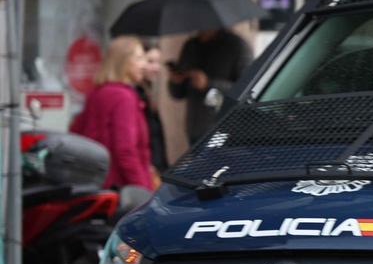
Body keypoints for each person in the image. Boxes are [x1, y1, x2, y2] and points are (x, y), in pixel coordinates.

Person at [69, 36, 154, 190]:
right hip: (122, 189)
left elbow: (76, 131)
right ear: (123, 61)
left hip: (96, 183)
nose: (144, 65)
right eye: (139, 58)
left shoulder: (97, 92)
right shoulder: (124, 97)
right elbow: (126, 151)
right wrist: (144, 191)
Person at [168, 27, 252, 144]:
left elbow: (246, 90)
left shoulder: (236, 46)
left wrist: (209, 84)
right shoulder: (191, 46)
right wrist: (176, 81)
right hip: (194, 128)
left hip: (223, 129)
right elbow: (178, 94)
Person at [137, 38, 169, 177]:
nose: (156, 67)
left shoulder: (147, 89)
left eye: (158, 62)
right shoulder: (135, 93)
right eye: (150, 61)